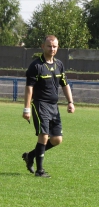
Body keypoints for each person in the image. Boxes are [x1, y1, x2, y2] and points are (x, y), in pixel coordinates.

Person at [22, 35, 75, 178]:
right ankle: (40, 171)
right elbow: (29, 88)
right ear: (43, 46)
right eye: (49, 46)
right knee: (44, 136)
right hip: (40, 105)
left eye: (55, 46)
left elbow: (65, 84)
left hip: (54, 107)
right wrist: (26, 108)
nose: (52, 49)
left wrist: (70, 102)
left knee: (57, 139)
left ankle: (30, 156)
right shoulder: (36, 66)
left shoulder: (59, 64)